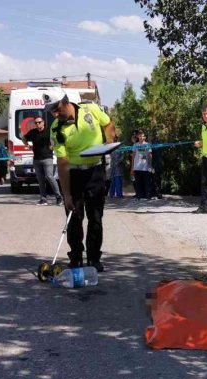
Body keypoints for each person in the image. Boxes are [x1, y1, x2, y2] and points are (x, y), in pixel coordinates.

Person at [46, 95, 116, 272]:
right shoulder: (56, 129)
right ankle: (76, 257)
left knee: (96, 217)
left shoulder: (90, 110)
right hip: (74, 173)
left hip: (95, 171)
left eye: (57, 109)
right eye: (52, 111)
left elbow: (108, 124)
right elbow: (62, 163)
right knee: (74, 218)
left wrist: (109, 140)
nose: (55, 114)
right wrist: (66, 195)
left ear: (66, 102)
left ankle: (94, 258)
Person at [23, 114, 62, 206]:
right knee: (40, 180)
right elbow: (23, 138)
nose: (37, 124)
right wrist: (26, 145)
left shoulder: (49, 131)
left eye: (39, 122)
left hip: (47, 158)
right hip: (36, 159)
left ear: (43, 122)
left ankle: (59, 197)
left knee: (49, 177)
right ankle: (43, 199)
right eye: (35, 123)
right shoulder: (32, 132)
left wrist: (53, 145)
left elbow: (56, 138)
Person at [131, 130, 153, 199]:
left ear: (145, 137)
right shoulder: (135, 145)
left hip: (145, 166)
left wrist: (150, 164)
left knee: (146, 182)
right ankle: (139, 195)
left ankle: (148, 195)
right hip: (137, 166)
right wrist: (132, 167)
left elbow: (150, 155)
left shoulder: (147, 145)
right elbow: (133, 156)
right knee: (138, 182)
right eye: (140, 136)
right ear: (138, 137)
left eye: (143, 136)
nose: (142, 137)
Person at [150, 132, 164, 199]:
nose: (149, 138)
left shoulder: (155, 143)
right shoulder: (156, 143)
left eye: (150, 136)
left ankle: (158, 193)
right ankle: (158, 193)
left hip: (156, 164)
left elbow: (154, 152)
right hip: (157, 164)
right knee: (157, 179)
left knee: (156, 179)